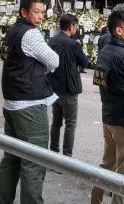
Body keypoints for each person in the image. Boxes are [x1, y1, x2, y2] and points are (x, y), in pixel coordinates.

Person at [0, 0, 59, 204]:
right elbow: (54, 60)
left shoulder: (12, 31)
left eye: (42, 12)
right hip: (30, 105)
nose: (40, 16)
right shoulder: (31, 34)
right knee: (34, 163)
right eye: (36, 12)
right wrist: (43, 66)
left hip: (11, 103)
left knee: (11, 160)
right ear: (24, 12)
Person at [90, 6, 124, 204]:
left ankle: (96, 199)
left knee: (108, 162)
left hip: (108, 116)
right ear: (118, 30)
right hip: (122, 119)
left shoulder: (106, 50)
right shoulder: (123, 56)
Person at [48, 13, 89, 158]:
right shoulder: (73, 44)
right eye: (75, 26)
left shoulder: (52, 41)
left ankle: (53, 152)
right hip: (69, 88)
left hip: (54, 87)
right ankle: (67, 156)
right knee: (70, 123)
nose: (76, 29)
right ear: (71, 26)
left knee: (56, 121)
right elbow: (85, 62)